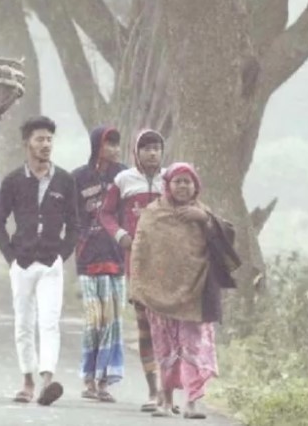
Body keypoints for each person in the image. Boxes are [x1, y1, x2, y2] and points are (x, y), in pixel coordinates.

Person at [129, 163, 240, 419]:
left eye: (187, 182)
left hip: (195, 292)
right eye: (177, 181)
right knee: (165, 348)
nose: (182, 186)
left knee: (192, 348)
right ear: (167, 185)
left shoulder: (204, 214)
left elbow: (227, 239)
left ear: (196, 187)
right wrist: (138, 288)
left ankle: (192, 403)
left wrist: (205, 221)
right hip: (159, 294)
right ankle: (166, 400)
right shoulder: (153, 214)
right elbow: (139, 252)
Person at [0, 115, 81, 406]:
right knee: (23, 323)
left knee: (50, 321)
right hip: (22, 263)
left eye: (49, 140)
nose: (45, 144)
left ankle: (47, 380)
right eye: (39, 139)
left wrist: (60, 256)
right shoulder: (13, 181)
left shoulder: (65, 181)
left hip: (50, 264)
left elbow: (75, 226)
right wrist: (11, 257)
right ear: (26, 143)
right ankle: (27, 381)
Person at [98, 128, 166, 412]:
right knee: (145, 327)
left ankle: (170, 392)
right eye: (146, 148)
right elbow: (104, 212)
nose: (152, 153)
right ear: (135, 152)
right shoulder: (123, 180)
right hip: (136, 264)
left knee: (169, 328)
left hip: (167, 266)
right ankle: (153, 391)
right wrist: (120, 235)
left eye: (157, 148)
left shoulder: (171, 179)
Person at [71, 126, 128, 402]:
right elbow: (71, 215)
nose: (115, 149)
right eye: (110, 144)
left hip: (117, 257)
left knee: (113, 321)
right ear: (97, 145)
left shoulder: (126, 176)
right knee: (95, 319)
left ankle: (104, 382)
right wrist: (80, 237)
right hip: (88, 257)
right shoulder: (79, 177)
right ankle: (89, 379)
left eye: (117, 144)